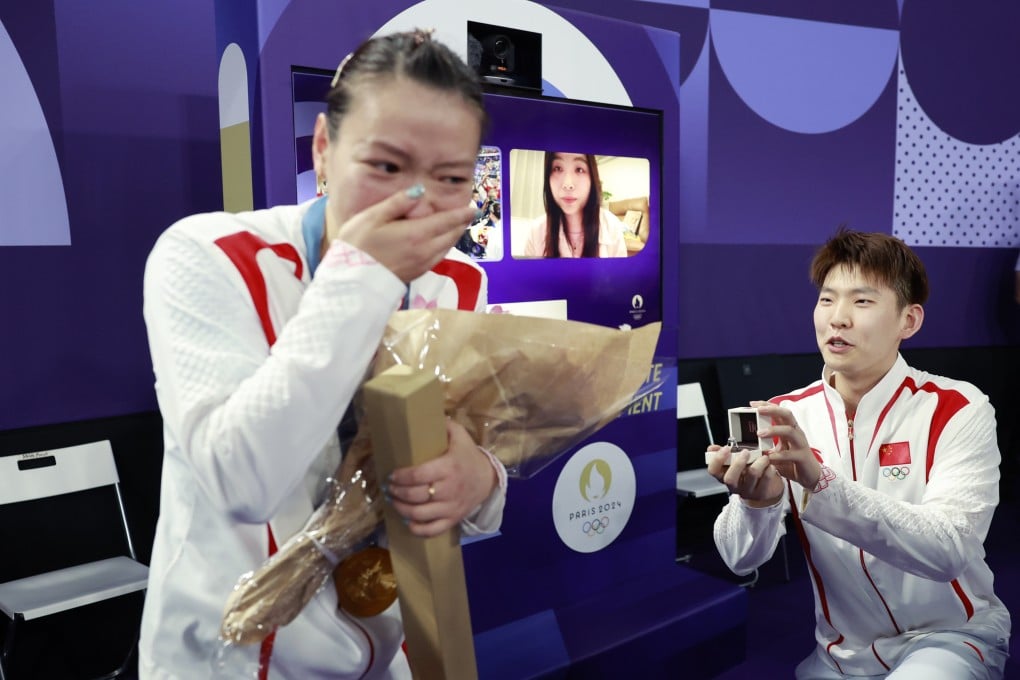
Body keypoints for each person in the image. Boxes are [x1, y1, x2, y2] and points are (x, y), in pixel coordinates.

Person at [139, 30, 507, 679]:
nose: (413, 203)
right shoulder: (209, 256)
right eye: (387, 168)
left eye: (449, 178)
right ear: (324, 150)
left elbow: (466, 454)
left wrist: (480, 480)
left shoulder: (459, 285)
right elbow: (240, 480)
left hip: (382, 649)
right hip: (233, 658)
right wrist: (363, 274)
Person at [707, 228, 1010, 679]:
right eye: (827, 300)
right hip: (839, 656)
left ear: (909, 320)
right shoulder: (788, 414)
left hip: (948, 639)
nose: (838, 318)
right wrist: (757, 500)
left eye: (862, 302)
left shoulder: (957, 408)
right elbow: (740, 558)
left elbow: (949, 548)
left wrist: (818, 482)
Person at [522, 151, 627, 258]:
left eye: (579, 169)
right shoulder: (536, 232)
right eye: (557, 168)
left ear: (592, 177)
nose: (568, 184)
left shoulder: (612, 227)